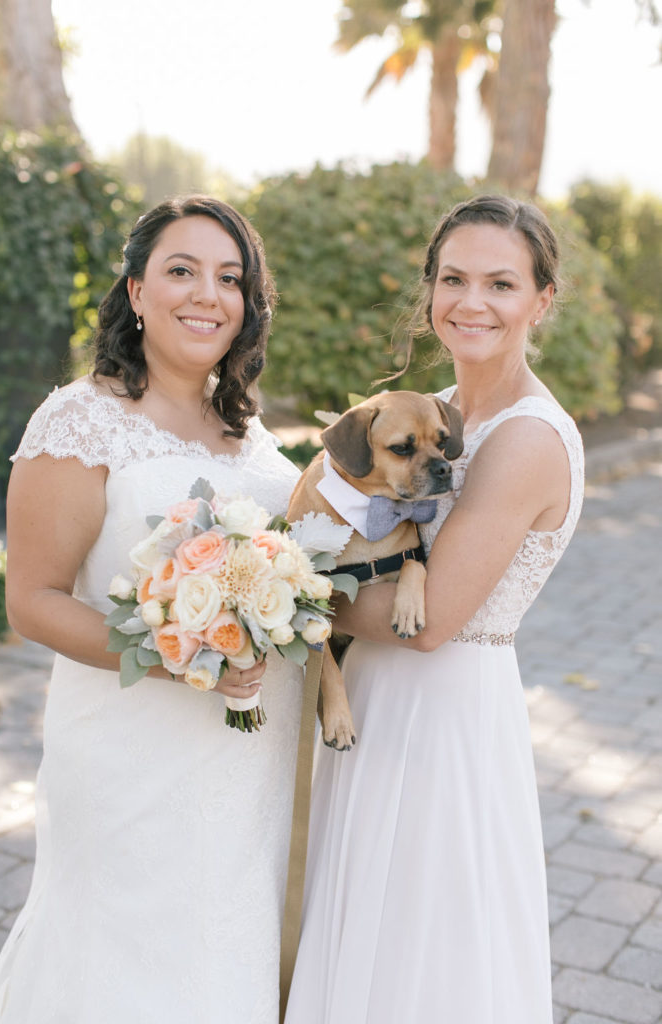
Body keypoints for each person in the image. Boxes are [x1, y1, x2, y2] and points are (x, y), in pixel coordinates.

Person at [0, 196, 303, 1023]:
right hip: (133, 751)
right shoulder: (80, 421)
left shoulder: (246, 428)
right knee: (127, 957)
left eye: (230, 278)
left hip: (246, 759)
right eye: (181, 271)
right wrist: (186, 651)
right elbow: (34, 601)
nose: (208, 294)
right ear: (134, 291)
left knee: (223, 952)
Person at [285, 194, 584, 1024]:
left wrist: (282, 591)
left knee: (424, 942)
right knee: (362, 927)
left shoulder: (525, 437)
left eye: (500, 282)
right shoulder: (434, 410)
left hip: (440, 709)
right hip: (364, 700)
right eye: (452, 279)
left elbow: (436, 620)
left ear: (540, 300)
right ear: (429, 293)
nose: (471, 301)